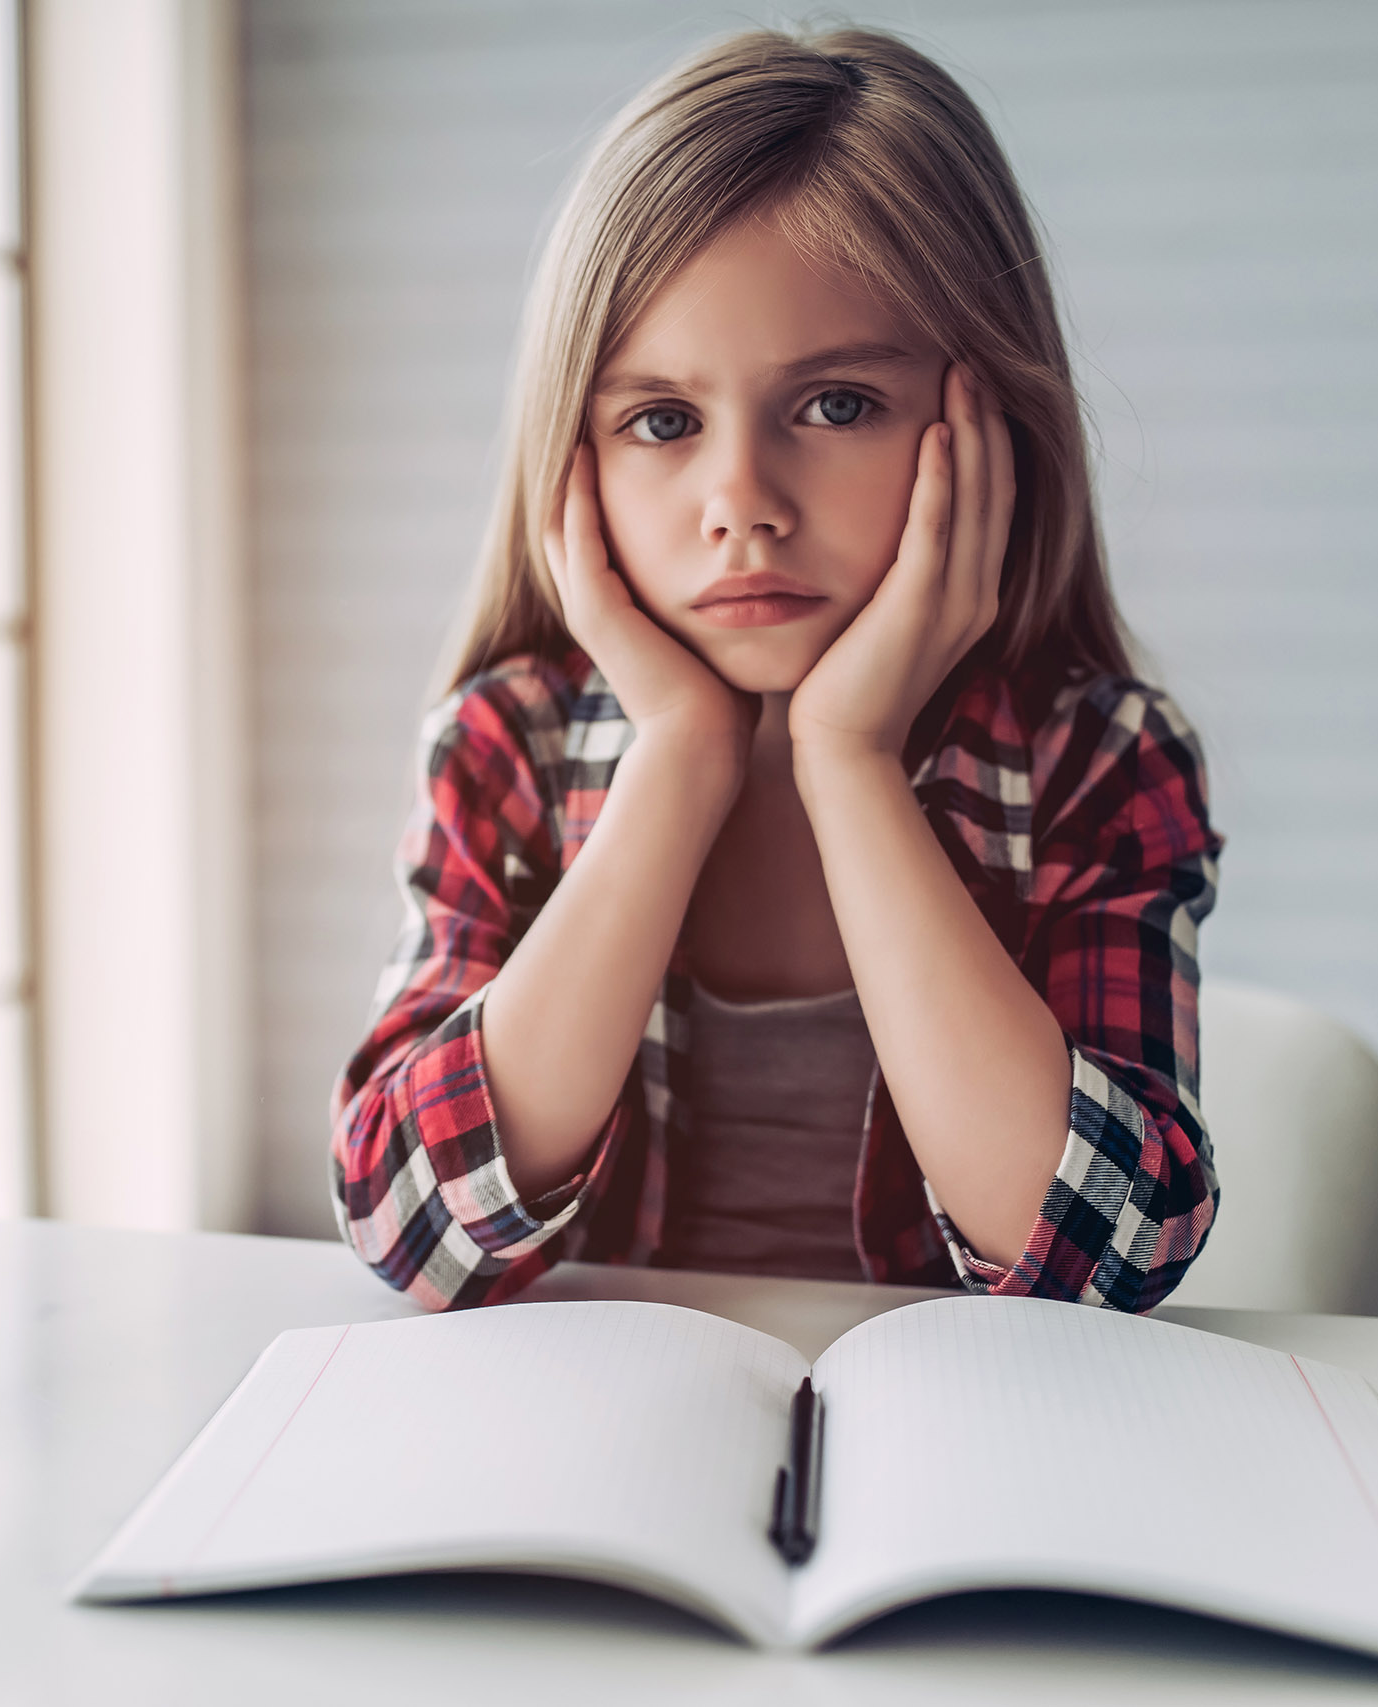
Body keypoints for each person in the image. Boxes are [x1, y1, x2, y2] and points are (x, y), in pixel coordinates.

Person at [329, 28, 1221, 1314]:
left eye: (836, 405)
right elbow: (409, 1228)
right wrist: (679, 760)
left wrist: (850, 764)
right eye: (662, 421)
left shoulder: (1100, 761)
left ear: (989, 432)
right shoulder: (503, 750)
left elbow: (1109, 1259)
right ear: (568, 458)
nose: (740, 502)